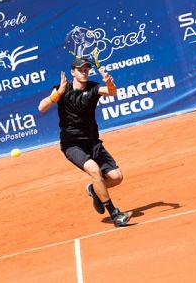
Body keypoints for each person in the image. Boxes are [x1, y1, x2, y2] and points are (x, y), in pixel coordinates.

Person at [38, 57, 132, 227]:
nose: (84, 72)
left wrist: (109, 83)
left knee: (117, 177)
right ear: (73, 72)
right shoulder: (62, 90)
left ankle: (94, 190)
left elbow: (111, 92)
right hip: (72, 144)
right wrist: (58, 93)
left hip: (93, 141)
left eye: (86, 70)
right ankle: (115, 214)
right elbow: (42, 107)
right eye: (80, 70)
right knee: (95, 171)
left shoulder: (93, 87)